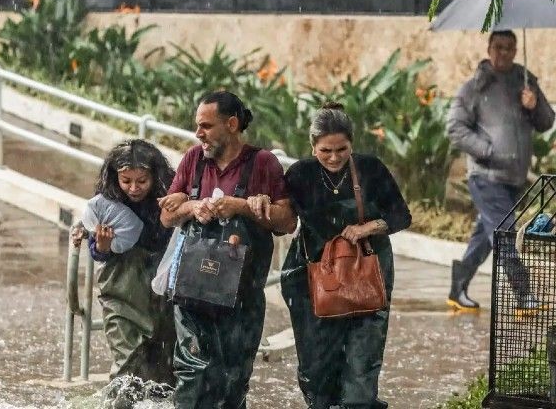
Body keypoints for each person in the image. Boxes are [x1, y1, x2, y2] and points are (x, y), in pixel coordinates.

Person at [160, 90, 296, 408]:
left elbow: (287, 221)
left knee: (232, 383)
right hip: (192, 291)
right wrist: (193, 207)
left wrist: (242, 206)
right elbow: (166, 216)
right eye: (197, 126)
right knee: (193, 373)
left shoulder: (263, 163)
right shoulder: (193, 159)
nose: (198, 133)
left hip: (242, 297)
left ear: (232, 124)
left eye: (206, 125)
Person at [279, 102, 411, 409]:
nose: (335, 157)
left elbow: (402, 215)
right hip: (313, 277)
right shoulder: (300, 175)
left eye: (342, 149)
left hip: (367, 274)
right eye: (326, 150)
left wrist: (368, 228)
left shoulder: (371, 169)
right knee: (316, 366)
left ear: (352, 144)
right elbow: (302, 221)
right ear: (313, 147)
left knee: (363, 362)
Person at [446, 30, 555, 311]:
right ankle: (524, 296)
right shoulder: (474, 88)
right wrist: (488, 151)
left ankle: (457, 289)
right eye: (499, 47)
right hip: (486, 176)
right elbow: (455, 128)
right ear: (489, 48)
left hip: (514, 178)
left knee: (484, 235)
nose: (504, 53)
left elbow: (546, 122)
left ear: (516, 50)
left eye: (509, 48)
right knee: (506, 232)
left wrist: (534, 105)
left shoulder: (526, 83)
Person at [72, 139, 185, 384]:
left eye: (142, 181)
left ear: (155, 177)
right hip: (121, 294)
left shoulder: (169, 196)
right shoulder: (107, 201)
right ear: (115, 179)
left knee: (163, 369)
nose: (134, 188)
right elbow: (98, 251)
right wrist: (102, 245)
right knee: (126, 367)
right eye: (126, 181)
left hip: (162, 294)